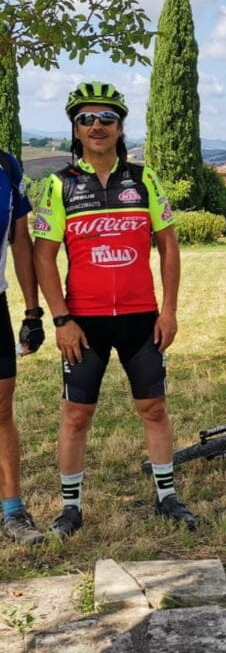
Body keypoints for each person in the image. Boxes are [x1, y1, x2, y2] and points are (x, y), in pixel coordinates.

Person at [33, 82, 197, 537]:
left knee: (154, 408)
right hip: (83, 324)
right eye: (86, 118)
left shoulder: (144, 179)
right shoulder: (58, 185)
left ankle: (167, 496)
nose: (97, 125)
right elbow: (43, 256)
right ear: (76, 129)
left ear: (120, 126)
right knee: (76, 414)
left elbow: (168, 246)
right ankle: (70, 508)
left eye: (106, 117)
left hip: (142, 318)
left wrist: (170, 310)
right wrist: (62, 320)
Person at [0, 150, 45, 545]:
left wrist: (32, 312)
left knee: (1, 410)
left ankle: (13, 512)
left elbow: (20, 242)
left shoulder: (7, 167)